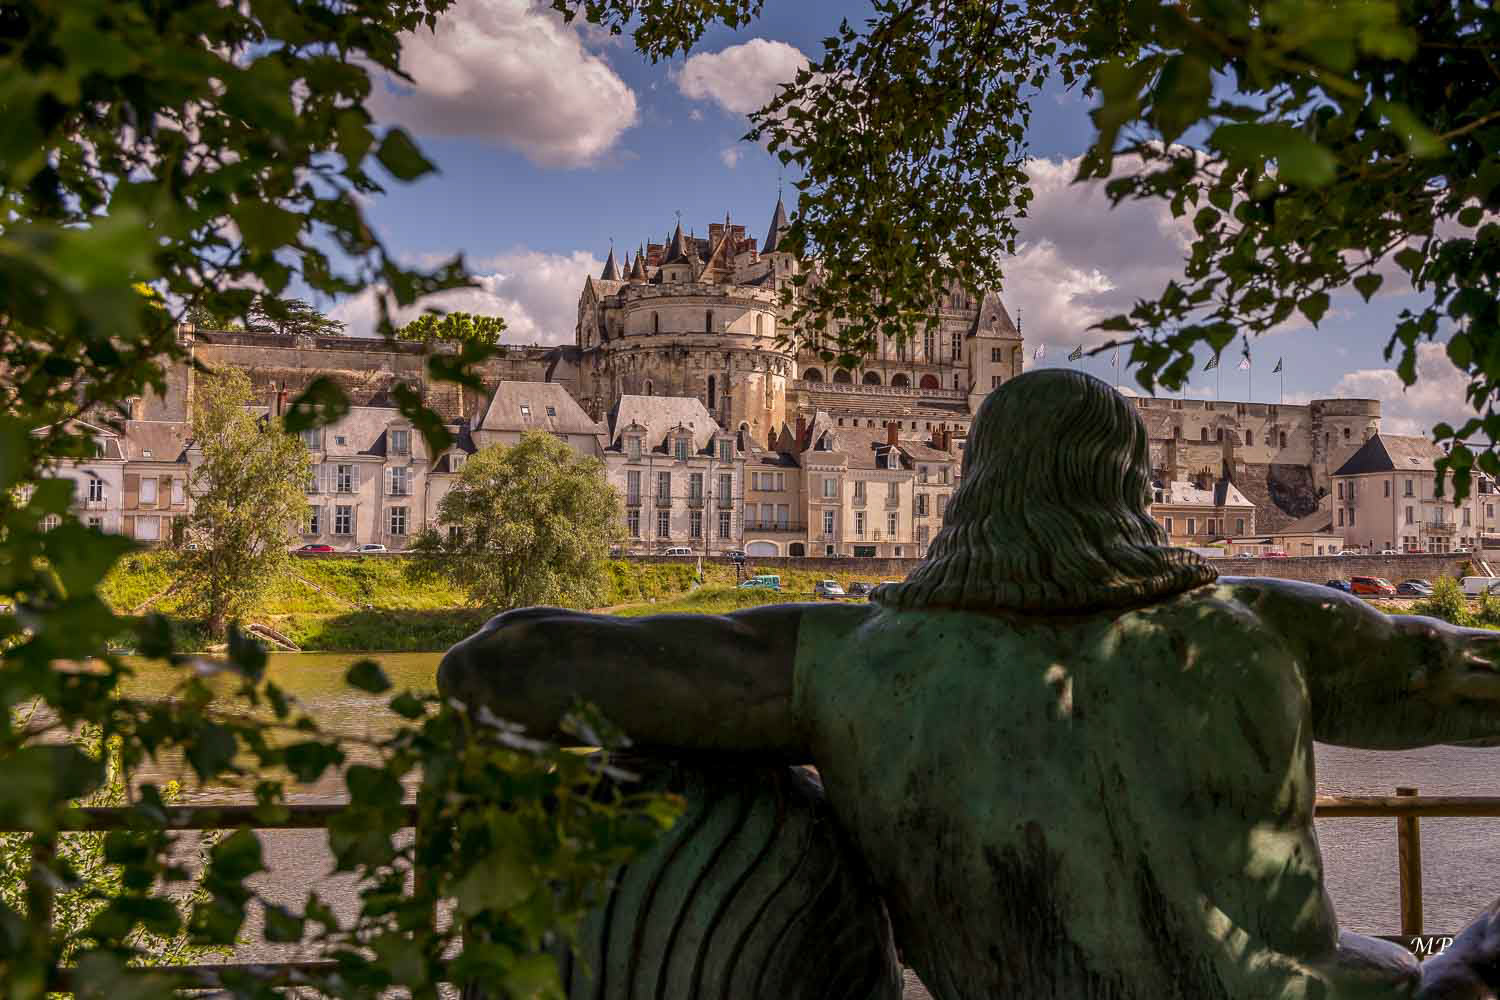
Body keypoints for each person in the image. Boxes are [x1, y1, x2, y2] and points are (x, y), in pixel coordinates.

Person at [439, 369, 1500, 999]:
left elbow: (498, 669)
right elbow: (1463, 678)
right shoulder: (1260, 626)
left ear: (974, 487)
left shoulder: (849, 659)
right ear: (1135, 484)